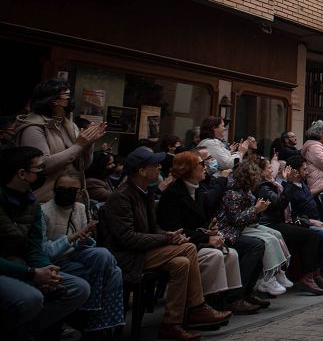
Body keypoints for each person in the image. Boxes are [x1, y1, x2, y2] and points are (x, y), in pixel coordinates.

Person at [100, 146, 231, 341]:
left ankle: (172, 323)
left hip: (145, 249)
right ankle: (197, 306)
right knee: (187, 248)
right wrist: (166, 238)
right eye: (154, 165)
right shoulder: (122, 197)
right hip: (127, 256)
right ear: (142, 171)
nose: (159, 168)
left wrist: (170, 234)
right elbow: (127, 238)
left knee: (182, 263)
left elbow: (153, 229)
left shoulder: (145, 192)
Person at [0, 146, 92, 341]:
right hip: (7, 268)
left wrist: (46, 270)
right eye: (39, 168)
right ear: (22, 173)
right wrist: (32, 274)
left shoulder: (31, 202)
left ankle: (25, 332)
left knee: (79, 288)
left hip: (23, 264)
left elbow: (34, 246)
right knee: (31, 298)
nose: (44, 172)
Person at [156, 152, 260, 314]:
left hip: (196, 238)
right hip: (181, 242)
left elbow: (199, 220)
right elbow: (176, 228)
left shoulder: (195, 190)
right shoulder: (173, 195)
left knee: (230, 254)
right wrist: (207, 237)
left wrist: (210, 230)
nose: (205, 168)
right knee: (216, 255)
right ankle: (200, 304)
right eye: (201, 165)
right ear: (189, 169)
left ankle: (226, 300)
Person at [39, 171, 125, 336]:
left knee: (104, 255)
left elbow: (82, 246)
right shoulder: (43, 212)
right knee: (115, 273)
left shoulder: (80, 208)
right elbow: (45, 252)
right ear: (54, 190)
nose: (65, 192)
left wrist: (84, 239)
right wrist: (72, 237)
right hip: (56, 262)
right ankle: (97, 322)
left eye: (71, 190)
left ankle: (95, 316)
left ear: (79, 192)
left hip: (75, 257)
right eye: (61, 189)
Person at [14, 79, 106, 203]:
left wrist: (89, 144)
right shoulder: (33, 127)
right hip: (45, 200)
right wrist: (79, 145)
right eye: (67, 96)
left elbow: (82, 166)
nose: (70, 100)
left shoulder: (68, 125)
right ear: (53, 100)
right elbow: (42, 165)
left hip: (73, 198)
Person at [214, 159, 287, 306]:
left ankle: (249, 290)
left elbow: (249, 218)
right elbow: (236, 220)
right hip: (228, 232)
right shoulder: (232, 193)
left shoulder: (245, 191)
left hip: (243, 228)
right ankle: (237, 296)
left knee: (271, 237)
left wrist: (258, 210)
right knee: (257, 246)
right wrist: (256, 209)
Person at [253, 156, 323, 295]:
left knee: (312, 234)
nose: (272, 169)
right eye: (269, 167)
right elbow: (280, 203)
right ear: (261, 172)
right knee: (312, 236)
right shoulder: (264, 187)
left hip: (282, 221)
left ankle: (311, 274)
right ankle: (307, 277)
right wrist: (289, 183)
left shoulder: (275, 184)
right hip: (271, 223)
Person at [280, 157, 323, 288]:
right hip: (301, 223)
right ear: (295, 171)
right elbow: (291, 214)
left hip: (316, 220)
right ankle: (313, 274)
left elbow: (309, 195)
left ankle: (320, 272)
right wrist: (310, 222)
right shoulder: (288, 188)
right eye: (304, 169)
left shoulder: (303, 184)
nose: (307, 172)